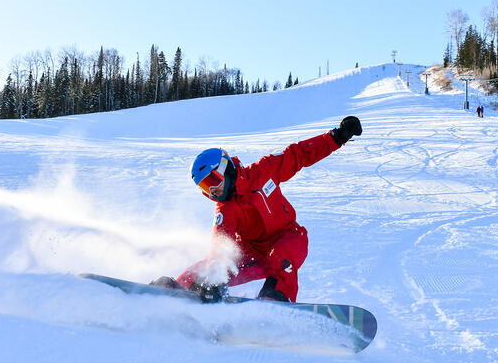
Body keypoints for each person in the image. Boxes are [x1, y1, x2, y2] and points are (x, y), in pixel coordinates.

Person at [150, 116, 363, 303]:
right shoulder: (225, 208)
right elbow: (220, 245)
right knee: (210, 266)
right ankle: (173, 291)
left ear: (225, 168)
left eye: (213, 181)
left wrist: (336, 137)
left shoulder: (263, 171)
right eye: (205, 187)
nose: (213, 191)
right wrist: (214, 278)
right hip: (253, 251)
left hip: (290, 237)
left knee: (281, 257)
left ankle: (274, 300)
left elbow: (298, 155)